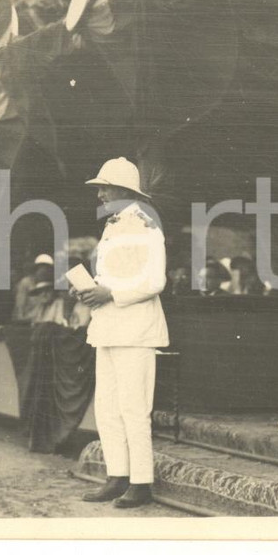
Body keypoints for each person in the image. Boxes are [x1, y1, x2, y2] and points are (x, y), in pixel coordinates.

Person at [75, 157, 169, 509]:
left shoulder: (146, 225)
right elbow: (116, 275)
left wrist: (110, 293)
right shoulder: (113, 226)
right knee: (107, 407)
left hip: (136, 329)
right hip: (109, 327)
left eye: (104, 187)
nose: (99, 194)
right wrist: (92, 288)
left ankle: (141, 482)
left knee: (133, 408)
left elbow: (154, 281)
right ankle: (117, 476)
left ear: (124, 191)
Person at [12, 254, 55, 322]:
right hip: (26, 322)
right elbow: (19, 306)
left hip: (43, 322)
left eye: (47, 269)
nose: (44, 271)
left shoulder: (49, 286)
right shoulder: (25, 283)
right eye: (41, 268)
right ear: (36, 270)